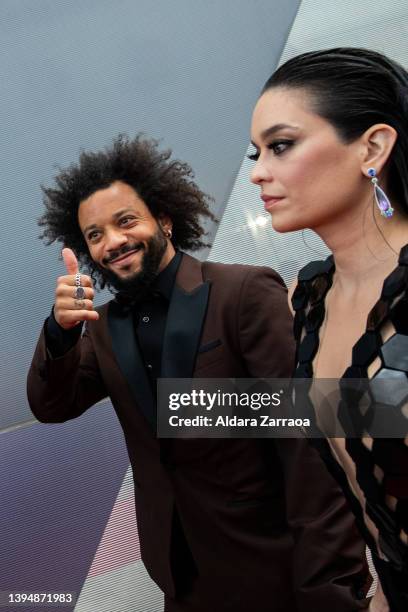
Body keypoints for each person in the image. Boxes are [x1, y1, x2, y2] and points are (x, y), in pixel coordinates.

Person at [28, 134, 370, 612]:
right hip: (182, 582)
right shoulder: (99, 330)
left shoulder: (243, 292)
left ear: (164, 220)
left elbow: (310, 445)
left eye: (125, 221)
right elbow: (51, 406)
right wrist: (60, 334)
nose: (113, 242)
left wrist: (332, 589)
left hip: (277, 572)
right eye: (95, 235)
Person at [249, 47, 408, 612]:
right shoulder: (310, 298)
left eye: (282, 145)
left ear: (373, 146)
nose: (258, 172)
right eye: (256, 152)